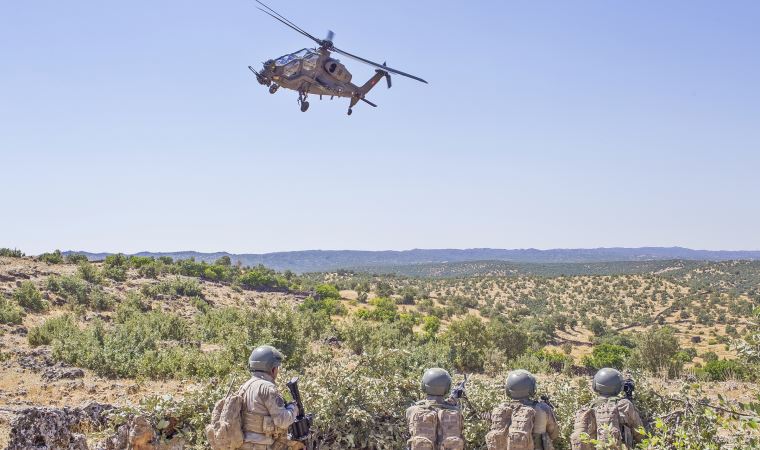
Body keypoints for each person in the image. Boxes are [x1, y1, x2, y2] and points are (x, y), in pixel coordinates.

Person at [240, 345, 303, 450]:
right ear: (272, 369)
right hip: (261, 445)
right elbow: (282, 421)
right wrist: (294, 407)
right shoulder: (267, 388)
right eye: (277, 368)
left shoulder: (244, 387)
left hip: (243, 445)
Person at [570, 368, 644, 450]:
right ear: (618, 387)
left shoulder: (586, 409)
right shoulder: (624, 405)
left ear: (595, 385)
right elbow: (640, 434)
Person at [486, 369, 560, 450]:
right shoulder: (542, 408)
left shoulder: (500, 409)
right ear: (532, 388)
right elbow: (554, 434)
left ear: (508, 389)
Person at [406, 368, 466, 450]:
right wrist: (454, 398)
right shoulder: (456, 411)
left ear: (423, 386)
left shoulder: (412, 410)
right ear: (447, 388)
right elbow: (442, 407)